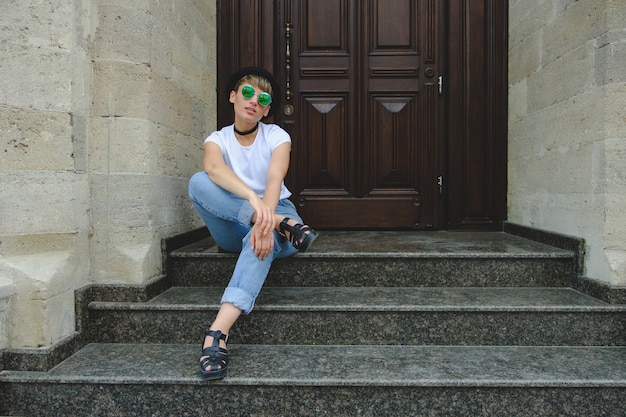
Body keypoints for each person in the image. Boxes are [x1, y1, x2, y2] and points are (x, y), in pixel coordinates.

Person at [188, 66, 318, 380]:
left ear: (267, 109)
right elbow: (214, 170)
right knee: (198, 182)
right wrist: (257, 208)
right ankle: (278, 223)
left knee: (262, 242)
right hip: (238, 220)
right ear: (233, 96)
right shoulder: (217, 139)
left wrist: (265, 217)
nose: (253, 101)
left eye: (262, 99)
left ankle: (218, 332)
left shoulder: (276, 136)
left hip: (280, 213)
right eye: (247, 92)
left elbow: (275, 178)